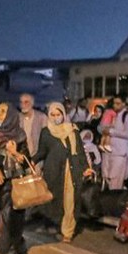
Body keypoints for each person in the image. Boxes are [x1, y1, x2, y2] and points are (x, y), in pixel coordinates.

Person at [32, 103, 93, 243]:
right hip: (54, 171)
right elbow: (42, 152)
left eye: (58, 115)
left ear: (64, 114)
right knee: (56, 199)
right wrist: (30, 160)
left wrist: (86, 167)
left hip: (72, 171)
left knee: (71, 201)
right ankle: (55, 224)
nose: (55, 118)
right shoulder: (46, 132)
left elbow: (80, 152)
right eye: (52, 115)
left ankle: (68, 231)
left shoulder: (73, 131)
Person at [0, 103, 29, 254]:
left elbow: (27, 161)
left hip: (17, 182)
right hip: (0, 183)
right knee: (4, 218)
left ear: (10, 114)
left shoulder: (19, 135)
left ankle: (2, 253)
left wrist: (14, 152)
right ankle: (19, 245)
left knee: (12, 217)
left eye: (3, 111)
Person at [101, 95, 128, 190]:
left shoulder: (127, 117)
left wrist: (112, 132)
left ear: (123, 104)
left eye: (118, 103)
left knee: (116, 181)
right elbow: (101, 128)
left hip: (120, 154)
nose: (115, 106)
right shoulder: (110, 114)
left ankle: (114, 201)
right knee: (107, 177)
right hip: (108, 152)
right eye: (114, 103)